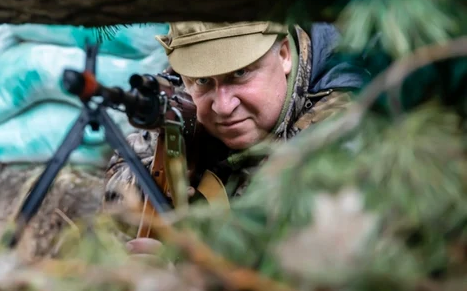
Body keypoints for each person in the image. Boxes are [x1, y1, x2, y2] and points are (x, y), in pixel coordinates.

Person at [102, 21, 371, 257]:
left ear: (284, 54)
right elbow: (118, 185)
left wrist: (192, 276)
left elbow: (311, 262)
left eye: (240, 73)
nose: (222, 106)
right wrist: (159, 184)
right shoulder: (184, 96)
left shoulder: (340, 126)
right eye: (203, 80)